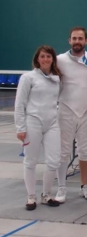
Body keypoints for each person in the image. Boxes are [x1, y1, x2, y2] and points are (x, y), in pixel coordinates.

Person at [14, 45, 62, 210]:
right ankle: (31, 197)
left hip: (52, 123)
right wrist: (20, 127)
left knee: (54, 161)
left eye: (49, 57)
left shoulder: (57, 78)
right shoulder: (28, 78)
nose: (46, 59)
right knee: (30, 161)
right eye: (43, 56)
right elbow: (19, 104)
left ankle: (46, 194)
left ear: (52, 59)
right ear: (37, 59)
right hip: (32, 122)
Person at [55, 27, 87, 202]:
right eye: (74, 38)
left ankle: (84, 187)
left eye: (80, 38)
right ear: (69, 40)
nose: (77, 41)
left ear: (86, 41)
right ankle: (61, 188)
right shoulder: (59, 60)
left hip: (86, 109)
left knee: (85, 150)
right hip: (65, 109)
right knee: (63, 151)